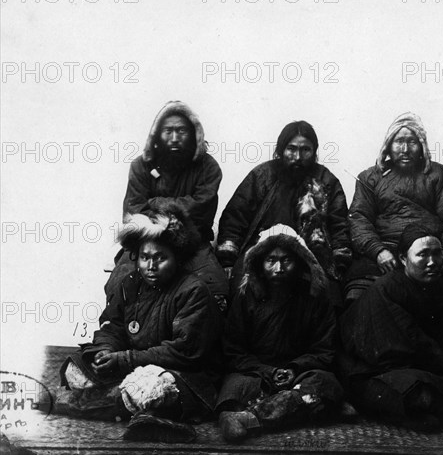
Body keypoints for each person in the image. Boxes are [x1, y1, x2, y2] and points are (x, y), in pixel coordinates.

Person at [57, 203, 224, 443]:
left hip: (183, 373)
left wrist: (124, 359)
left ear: (176, 257)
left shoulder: (193, 290)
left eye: (160, 258)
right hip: (132, 362)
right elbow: (112, 325)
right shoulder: (129, 283)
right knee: (77, 367)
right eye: (145, 257)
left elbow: (183, 352)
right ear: (137, 256)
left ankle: (79, 403)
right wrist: (105, 351)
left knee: (150, 386)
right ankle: (141, 412)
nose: (151, 266)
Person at [339, 225, 443, 431]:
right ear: (403, 259)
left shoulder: (440, 285)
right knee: (414, 392)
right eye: (423, 255)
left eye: (437, 254)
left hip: (428, 361)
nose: (432, 262)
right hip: (381, 367)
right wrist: (440, 366)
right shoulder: (386, 288)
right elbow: (400, 344)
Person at [346, 112, 443, 329]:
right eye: (399, 141)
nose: (405, 149)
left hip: (431, 250)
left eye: (412, 141)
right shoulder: (370, 178)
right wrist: (377, 251)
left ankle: (441, 351)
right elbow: (359, 219)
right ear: (388, 145)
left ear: (422, 146)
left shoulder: (437, 175)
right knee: (360, 298)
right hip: (386, 250)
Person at [216, 224, 344, 442]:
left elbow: (324, 349)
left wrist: (295, 368)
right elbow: (234, 350)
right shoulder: (246, 296)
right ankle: (295, 408)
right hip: (256, 374)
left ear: (299, 261)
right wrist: (267, 371)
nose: (279, 268)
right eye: (270, 260)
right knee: (233, 389)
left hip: (301, 372)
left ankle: (249, 418)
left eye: (286, 260)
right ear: (259, 262)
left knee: (325, 383)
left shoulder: (315, 297)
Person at [105, 101, 228, 310]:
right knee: (119, 284)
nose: (174, 138)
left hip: (192, 242)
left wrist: (156, 203)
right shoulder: (140, 166)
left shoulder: (209, 167)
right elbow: (134, 209)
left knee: (216, 287)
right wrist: (165, 222)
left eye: (181, 131)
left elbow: (201, 208)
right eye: (168, 131)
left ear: (194, 134)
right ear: (156, 134)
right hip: (146, 241)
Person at [216, 120, 351, 308]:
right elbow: (236, 216)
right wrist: (227, 260)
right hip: (261, 252)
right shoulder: (262, 175)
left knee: (329, 297)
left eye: (305, 150)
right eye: (291, 149)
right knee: (241, 290)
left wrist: (339, 262)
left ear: (314, 152)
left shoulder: (326, 181)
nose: (298, 156)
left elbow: (339, 225)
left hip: (312, 254)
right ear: (281, 150)